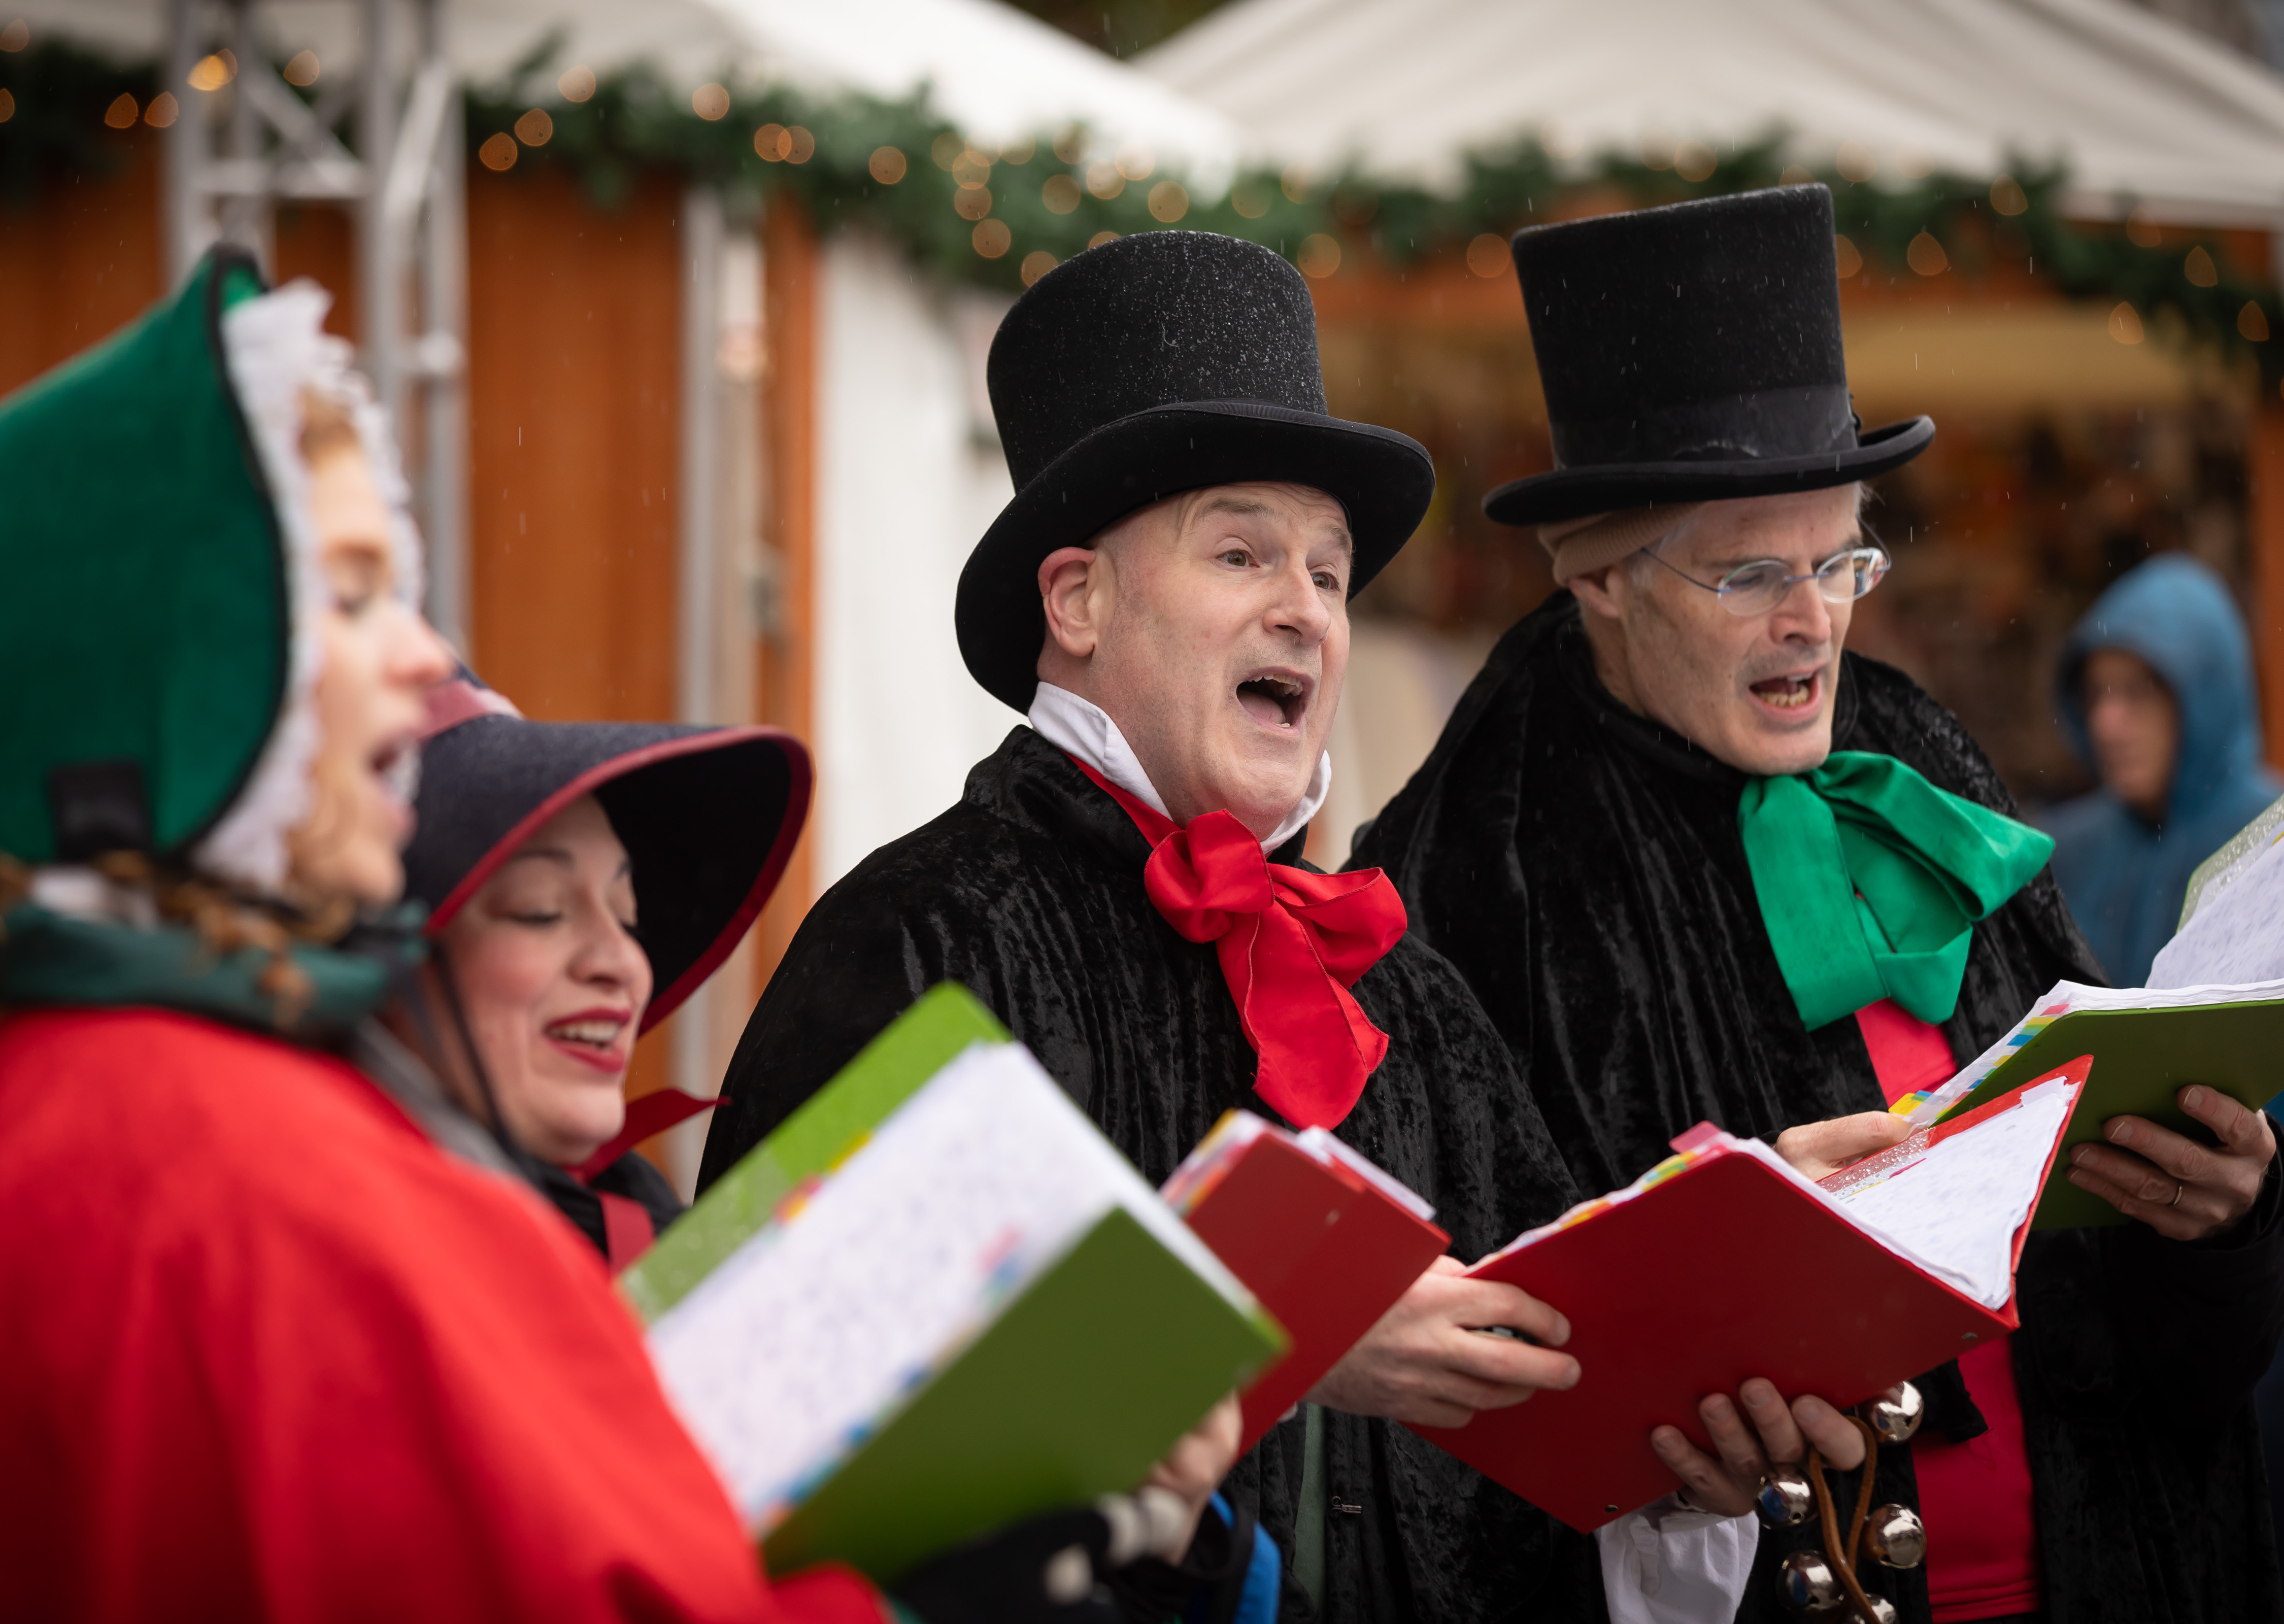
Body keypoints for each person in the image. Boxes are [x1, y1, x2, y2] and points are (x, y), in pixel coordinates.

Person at [0, 253, 1243, 1622]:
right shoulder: (267, 1182)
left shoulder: (12, 1092)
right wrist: (946, 1556)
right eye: (347, 592)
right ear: (157, 672)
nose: (418, 650)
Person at [703, 229, 1881, 1623]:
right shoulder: (918, 944)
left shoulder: (1406, 997)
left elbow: (1535, 1459)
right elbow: (771, 1431)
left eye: (1328, 574)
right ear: (1077, 602)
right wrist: (1261, 1343)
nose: (1308, 614)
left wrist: (1694, 1368)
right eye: (1243, 553)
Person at [1355, 185, 2284, 1623]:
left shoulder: (1918, 753)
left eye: (1842, 558)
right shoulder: (1467, 874)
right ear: (1599, 577)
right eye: (1751, 573)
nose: (1815, 620)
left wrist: (2217, 1224)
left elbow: (2149, 1321)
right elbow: (1439, 1429)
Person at [395, 669, 813, 1269]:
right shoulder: (328, 1259)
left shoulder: (649, 1227)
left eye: (627, 915)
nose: (623, 963)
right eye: (540, 909)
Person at [2034, 552, 2282, 987]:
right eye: (2096, 693)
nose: (2105, 724)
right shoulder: (2065, 854)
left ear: (2204, 696)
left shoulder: (2271, 841)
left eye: (2139, 690)